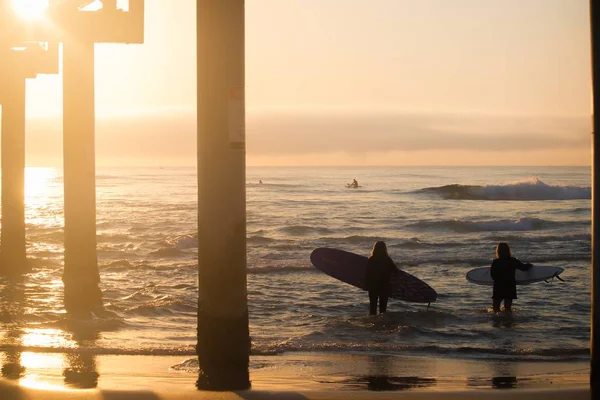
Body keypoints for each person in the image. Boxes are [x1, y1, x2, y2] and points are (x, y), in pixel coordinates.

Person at [490, 242, 532, 313]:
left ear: (498, 251)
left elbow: (493, 275)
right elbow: (523, 268)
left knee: (495, 309)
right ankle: (508, 322)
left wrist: (498, 280)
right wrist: (529, 265)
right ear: (508, 250)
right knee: (508, 308)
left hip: (498, 286)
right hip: (510, 286)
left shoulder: (496, 262)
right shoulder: (512, 260)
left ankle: (496, 322)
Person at [365, 241, 399, 315]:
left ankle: (373, 323)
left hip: (373, 286)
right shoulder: (387, 260)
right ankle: (382, 323)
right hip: (384, 286)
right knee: (383, 309)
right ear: (384, 249)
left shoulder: (371, 259)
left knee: (372, 307)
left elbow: (367, 273)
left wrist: (366, 285)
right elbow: (395, 271)